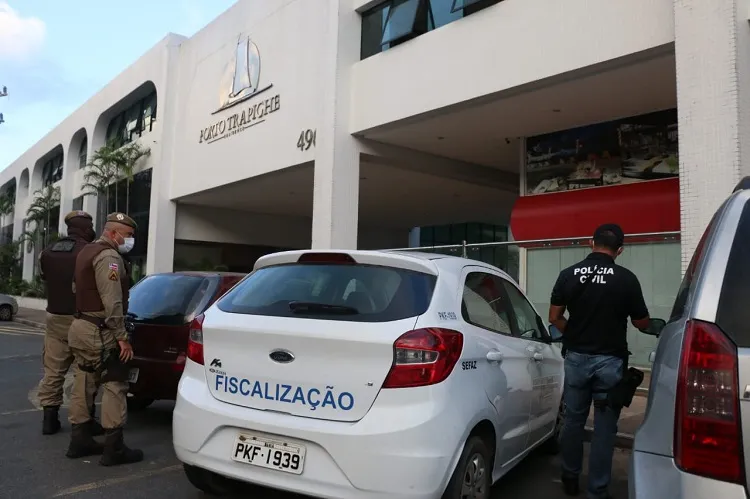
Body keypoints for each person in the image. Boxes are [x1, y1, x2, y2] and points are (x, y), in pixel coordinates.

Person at [548, 223, 651, 499]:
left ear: (590, 243)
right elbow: (642, 322)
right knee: (605, 430)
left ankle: (570, 478)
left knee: (573, 422)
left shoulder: (568, 275)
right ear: (620, 250)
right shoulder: (626, 279)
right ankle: (597, 490)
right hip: (610, 363)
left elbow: (554, 318)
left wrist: (576, 334)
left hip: (576, 359)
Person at [65, 212, 142, 466]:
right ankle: (114, 448)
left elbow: (77, 289)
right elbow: (112, 301)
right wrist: (122, 337)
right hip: (101, 329)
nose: (130, 240)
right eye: (128, 235)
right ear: (113, 233)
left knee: (84, 379)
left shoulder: (86, 252)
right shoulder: (109, 257)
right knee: (115, 382)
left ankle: (80, 440)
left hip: (80, 326)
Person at [37, 210, 102, 436]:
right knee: (85, 371)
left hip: (54, 317)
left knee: (53, 370)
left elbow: (45, 279)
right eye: (91, 225)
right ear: (85, 228)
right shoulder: (90, 253)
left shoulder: (47, 252)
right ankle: (83, 421)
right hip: (81, 319)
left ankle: (49, 418)